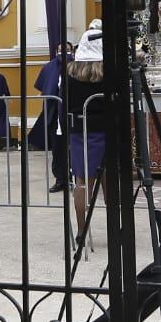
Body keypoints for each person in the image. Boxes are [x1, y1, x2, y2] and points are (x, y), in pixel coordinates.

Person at [66, 21, 108, 251]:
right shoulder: (106, 71)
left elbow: (64, 103)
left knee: (82, 182)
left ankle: (82, 229)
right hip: (105, 130)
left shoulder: (72, 72)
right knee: (110, 182)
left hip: (79, 131)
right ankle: (116, 227)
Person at [27, 42, 71, 192]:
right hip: (54, 115)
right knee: (57, 149)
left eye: (67, 50)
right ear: (56, 51)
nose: (63, 53)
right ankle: (60, 179)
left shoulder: (76, 65)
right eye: (60, 50)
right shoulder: (49, 67)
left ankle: (74, 178)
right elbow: (44, 85)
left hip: (72, 115)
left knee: (72, 149)